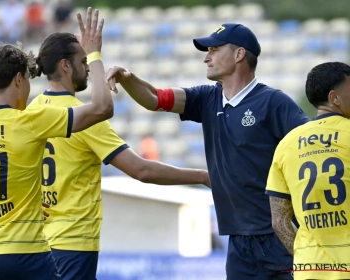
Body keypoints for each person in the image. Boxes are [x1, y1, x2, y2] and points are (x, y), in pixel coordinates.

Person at [105, 23, 310, 279]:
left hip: (278, 235)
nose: (206, 57)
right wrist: (129, 79)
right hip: (238, 242)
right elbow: (155, 99)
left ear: (239, 55)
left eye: (214, 49)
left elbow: (311, 146)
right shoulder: (206, 98)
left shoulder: (273, 102)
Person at [27, 31, 210, 280]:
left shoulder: (31, 111)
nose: (89, 69)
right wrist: (201, 176)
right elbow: (141, 170)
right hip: (73, 242)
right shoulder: (84, 117)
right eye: (83, 61)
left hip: (35, 242)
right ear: (65, 66)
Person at [0, 8, 113, 280]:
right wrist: (94, 54)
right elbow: (102, 108)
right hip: (24, 254)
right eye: (27, 79)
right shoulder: (30, 120)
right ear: (18, 79)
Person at [266, 62, 350, 280]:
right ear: (335, 98)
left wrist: (306, 255)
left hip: (309, 268)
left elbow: (279, 221)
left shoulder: (287, 144)